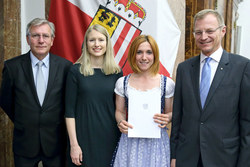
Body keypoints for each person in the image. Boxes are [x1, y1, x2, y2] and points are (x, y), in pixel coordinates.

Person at [170, 9, 250, 167]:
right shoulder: (184, 69)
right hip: (187, 158)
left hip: (224, 159)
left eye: (209, 31)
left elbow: (247, 123)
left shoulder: (242, 67)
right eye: (198, 32)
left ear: (223, 30)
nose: (203, 37)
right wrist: (174, 155)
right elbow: (178, 117)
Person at [0, 18, 72, 167]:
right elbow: (6, 101)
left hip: (55, 143)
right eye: (35, 35)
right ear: (28, 39)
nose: (41, 40)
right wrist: (25, 119)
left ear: (52, 40)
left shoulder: (66, 67)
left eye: (45, 36)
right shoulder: (12, 67)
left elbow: (68, 102)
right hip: (25, 142)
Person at [112, 35, 175, 167]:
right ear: (133, 55)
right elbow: (119, 111)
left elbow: (170, 113)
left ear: (155, 55)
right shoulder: (123, 82)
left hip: (156, 143)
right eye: (139, 52)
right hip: (130, 141)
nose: (144, 57)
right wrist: (120, 122)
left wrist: (166, 118)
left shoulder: (167, 83)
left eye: (149, 52)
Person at [65, 24, 123, 167]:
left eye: (101, 40)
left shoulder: (116, 73)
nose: (97, 44)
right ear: (86, 43)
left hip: (109, 137)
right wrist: (74, 145)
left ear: (107, 44)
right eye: (92, 40)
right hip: (83, 138)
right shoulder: (75, 71)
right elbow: (69, 112)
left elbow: (120, 109)